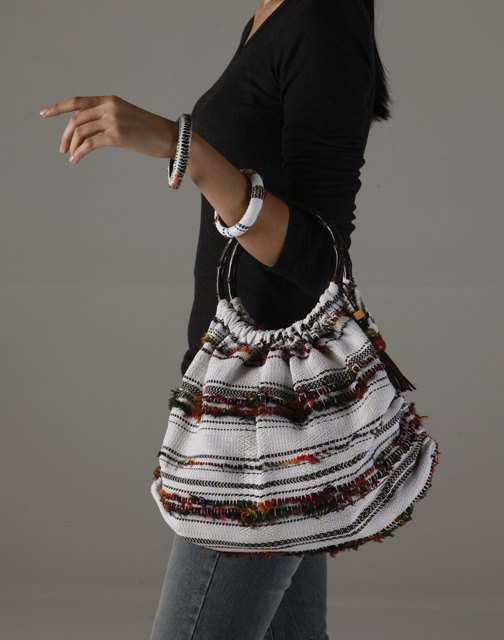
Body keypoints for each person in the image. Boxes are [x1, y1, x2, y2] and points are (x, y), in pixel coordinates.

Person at [40, 1, 393, 638]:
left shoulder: (324, 17)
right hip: (244, 394)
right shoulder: (273, 13)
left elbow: (320, 259)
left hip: (264, 421)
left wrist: (185, 148)